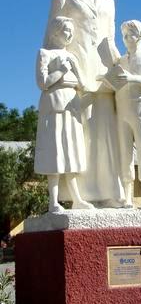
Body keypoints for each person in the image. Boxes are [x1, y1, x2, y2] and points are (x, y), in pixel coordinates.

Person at [43, 0, 125, 207]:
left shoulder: (109, 0)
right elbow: (50, 40)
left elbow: (110, 40)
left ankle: (111, 192)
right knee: (78, 137)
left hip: (103, 75)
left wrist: (119, 67)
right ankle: (78, 197)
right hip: (73, 77)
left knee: (105, 133)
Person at [34, 16, 94, 212]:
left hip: (72, 104)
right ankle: (53, 202)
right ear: (56, 32)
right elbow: (42, 83)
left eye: (71, 31)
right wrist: (60, 71)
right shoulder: (44, 54)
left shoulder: (72, 56)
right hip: (54, 104)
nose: (69, 35)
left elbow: (82, 85)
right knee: (55, 152)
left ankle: (77, 198)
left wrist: (75, 71)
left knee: (72, 151)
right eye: (66, 30)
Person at [106, 20, 141, 209]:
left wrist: (131, 78)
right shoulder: (121, 60)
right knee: (124, 153)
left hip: (140, 109)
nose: (127, 39)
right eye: (125, 36)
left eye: (131, 35)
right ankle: (127, 197)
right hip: (122, 110)